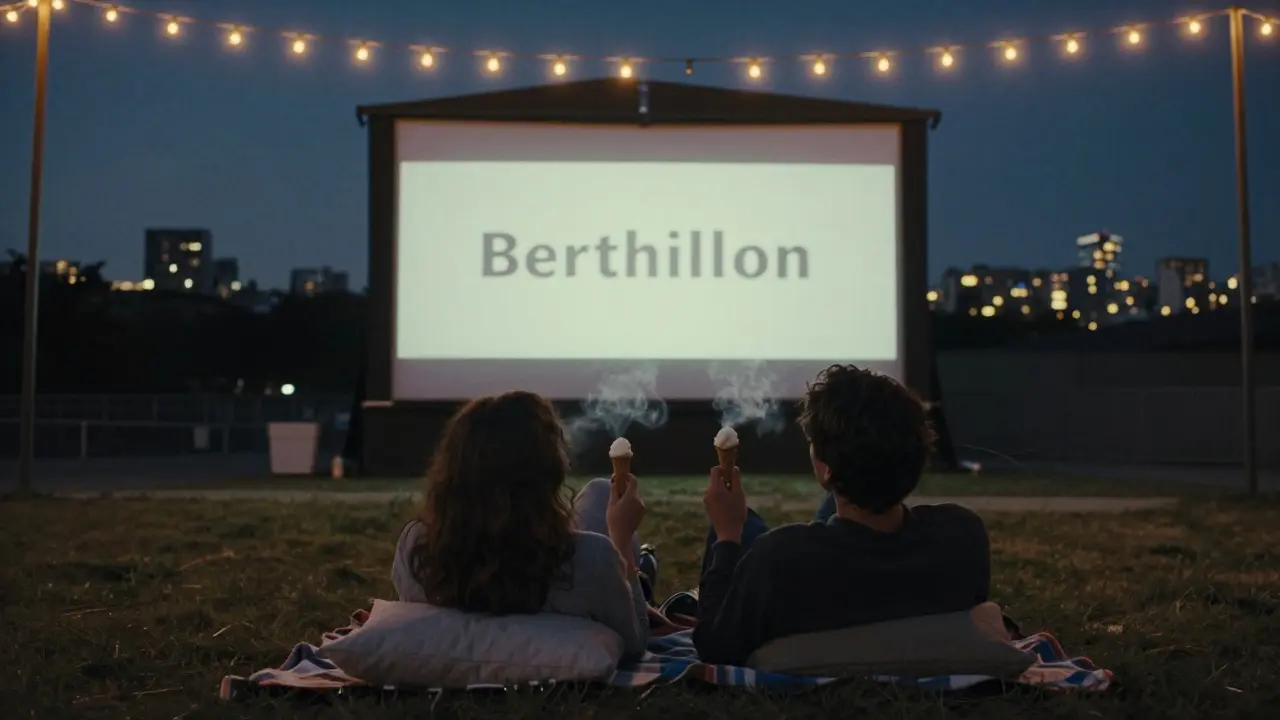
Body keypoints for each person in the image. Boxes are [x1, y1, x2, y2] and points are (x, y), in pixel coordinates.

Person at [692, 364, 992, 667]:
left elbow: (715, 647)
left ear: (825, 471)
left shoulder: (779, 559)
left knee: (748, 524)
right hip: (861, 569)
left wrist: (727, 534)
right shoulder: (963, 534)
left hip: (817, 573)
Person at [391, 390, 651, 657]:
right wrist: (621, 538)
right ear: (547, 472)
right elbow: (634, 643)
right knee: (602, 494)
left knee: (599, 491)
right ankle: (642, 572)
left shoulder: (415, 546)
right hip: (582, 569)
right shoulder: (593, 556)